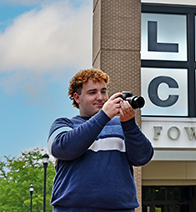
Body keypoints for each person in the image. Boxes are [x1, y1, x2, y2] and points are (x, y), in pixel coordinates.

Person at [47, 68, 154, 211]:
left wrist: (129, 123)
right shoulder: (64, 125)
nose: (100, 97)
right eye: (92, 92)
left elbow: (143, 157)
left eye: (103, 91)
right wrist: (103, 115)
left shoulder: (122, 126)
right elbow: (63, 148)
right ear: (77, 98)